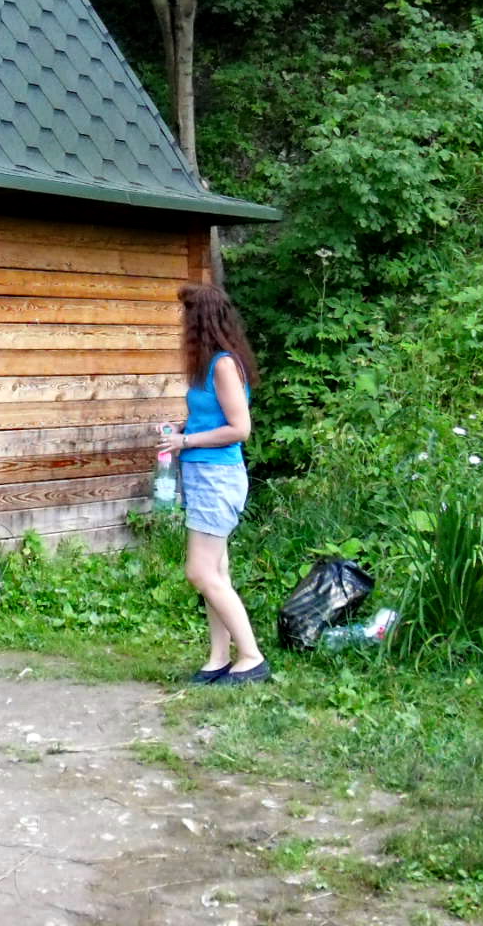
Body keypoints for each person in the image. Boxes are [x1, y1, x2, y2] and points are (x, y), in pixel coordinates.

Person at [159, 282, 268, 684]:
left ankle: (252, 656)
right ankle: (219, 658)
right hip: (205, 473)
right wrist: (188, 428)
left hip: (218, 476)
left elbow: (240, 429)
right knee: (216, 573)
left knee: (200, 572)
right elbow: (216, 419)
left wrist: (184, 440)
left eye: (186, 316)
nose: (181, 324)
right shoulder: (212, 364)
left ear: (200, 321)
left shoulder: (223, 364)